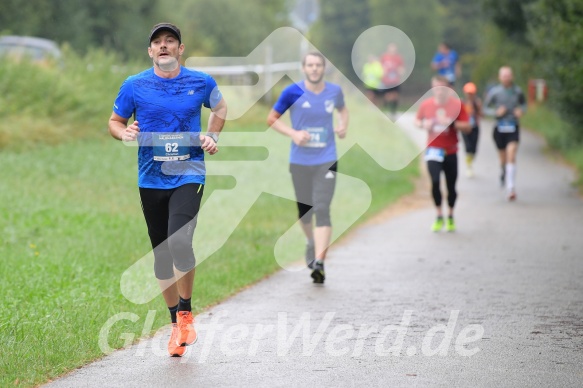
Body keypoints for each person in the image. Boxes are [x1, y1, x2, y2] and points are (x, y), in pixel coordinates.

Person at [108, 23, 227, 357]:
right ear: (150, 51)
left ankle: (187, 311)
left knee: (180, 241)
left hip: (189, 173)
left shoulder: (201, 82)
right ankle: (176, 324)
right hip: (150, 178)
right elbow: (114, 121)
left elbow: (220, 108)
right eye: (157, 43)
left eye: (169, 42)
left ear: (180, 48)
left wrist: (212, 136)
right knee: (161, 255)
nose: (163, 46)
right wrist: (123, 133)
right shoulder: (134, 85)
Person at [266, 51, 349, 284]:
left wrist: (343, 126)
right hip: (300, 160)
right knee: (305, 211)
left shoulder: (335, 91)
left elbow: (343, 110)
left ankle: (320, 262)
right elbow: (271, 118)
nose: (314, 69)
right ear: (303, 69)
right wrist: (293, 133)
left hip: (327, 158)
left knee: (322, 208)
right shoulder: (292, 91)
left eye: (318, 65)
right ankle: (312, 242)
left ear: (324, 68)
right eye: (310, 65)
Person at [415, 76, 471, 232]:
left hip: (450, 150)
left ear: (448, 88)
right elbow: (417, 121)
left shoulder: (457, 105)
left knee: (451, 186)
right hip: (433, 149)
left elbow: (467, 126)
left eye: (442, 88)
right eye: (436, 88)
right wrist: (423, 124)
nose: (439, 91)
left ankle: (451, 215)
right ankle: (439, 214)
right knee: (434, 182)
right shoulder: (426, 105)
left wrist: (452, 123)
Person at [483, 66, 526, 201]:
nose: (506, 78)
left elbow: (524, 104)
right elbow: (485, 108)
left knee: (511, 154)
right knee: (503, 159)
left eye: (509, 75)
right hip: (499, 128)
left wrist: (521, 111)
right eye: (504, 76)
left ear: (512, 76)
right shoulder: (495, 92)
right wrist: (496, 113)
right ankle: (503, 171)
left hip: (513, 127)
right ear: (500, 77)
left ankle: (511, 188)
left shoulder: (518, 91)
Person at [461, 82, 482, 178]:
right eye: (468, 93)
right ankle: (469, 166)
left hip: (475, 127)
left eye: (471, 93)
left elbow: (482, 114)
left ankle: (470, 161)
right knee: (468, 147)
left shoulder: (477, 102)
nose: (469, 95)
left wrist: (476, 111)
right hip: (465, 128)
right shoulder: (462, 102)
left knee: (474, 149)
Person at [380, 43, 405, 118]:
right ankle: (385, 107)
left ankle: (393, 111)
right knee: (387, 95)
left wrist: (400, 71)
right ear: (388, 49)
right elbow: (380, 67)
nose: (393, 51)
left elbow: (402, 68)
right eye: (391, 49)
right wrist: (383, 71)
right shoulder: (384, 57)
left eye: (394, 49)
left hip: (395, 80)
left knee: (395, 96)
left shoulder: (398, 58)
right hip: (387, 80)